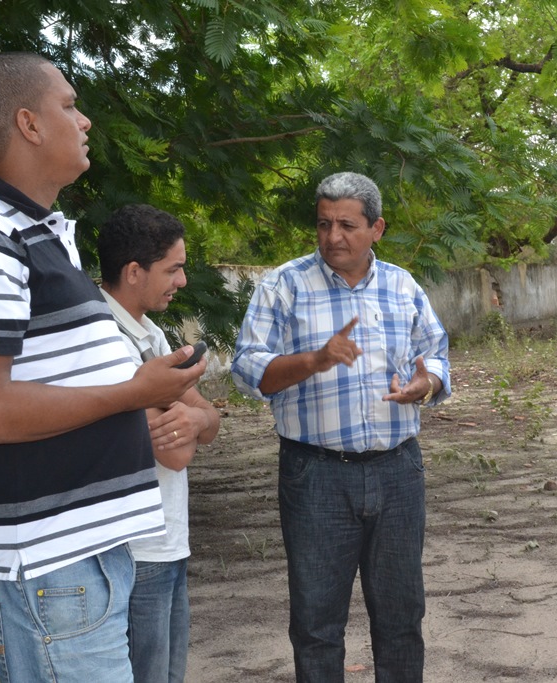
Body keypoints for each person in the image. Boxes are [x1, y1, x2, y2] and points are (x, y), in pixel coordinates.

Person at [0, 52, 206, 682]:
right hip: (44, 570)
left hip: (72, 565)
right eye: (70, 105)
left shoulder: (36, 233)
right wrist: (134, 392)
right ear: (29, 124)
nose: (87, 121)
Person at [231, 171, 450, 682]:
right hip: (316, 477)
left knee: (401, 618)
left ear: (377, 228)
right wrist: (313, 360)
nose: (333, 237)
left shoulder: (402, 285)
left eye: (347, 225)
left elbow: (435, 353)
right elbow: (246, 369)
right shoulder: (284, 286)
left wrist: (428, 383)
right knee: (316, 624)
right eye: (324, 224)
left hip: (398, 473)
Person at [97, 204, 221, 682]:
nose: (183, 280)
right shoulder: (108, 341)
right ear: (133, 272)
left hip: (167, 543)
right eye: (173, 268)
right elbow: (177, 452)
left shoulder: (149, 332)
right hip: (134, 552)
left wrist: (191, 414)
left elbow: (209, 422)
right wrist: (194, 416)